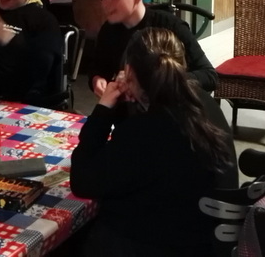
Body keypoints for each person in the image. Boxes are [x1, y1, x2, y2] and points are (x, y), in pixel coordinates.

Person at [70, 28, 237, 256]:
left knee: (77, 236)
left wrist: (105, 107)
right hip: (209, 240)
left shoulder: (145, 130)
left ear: (129, 71)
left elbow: (82, 180)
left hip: (164, 245)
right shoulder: (204, 103)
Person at [89, 0, 217, 97]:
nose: (105, 4)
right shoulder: (108, 30)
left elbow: (210, 76)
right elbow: (99, 69)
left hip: (169, 104)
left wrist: (159, 81)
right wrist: (97, 80)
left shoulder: (171, 26)